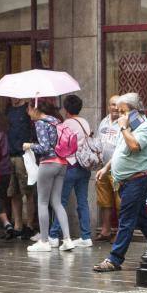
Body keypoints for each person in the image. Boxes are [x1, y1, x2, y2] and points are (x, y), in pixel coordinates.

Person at [92, 93, 147, 272]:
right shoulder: (126, 126)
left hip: (138, 178)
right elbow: (120, 151)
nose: (119, 115)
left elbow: (134, 146)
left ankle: (114, 259)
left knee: (126, 219)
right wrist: (106, 168)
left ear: (134, 111)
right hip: (125, 180)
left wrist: (123, 129)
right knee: (141, 218)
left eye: (123, 111)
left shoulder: (145, 127)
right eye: (118, 111)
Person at [23, 100, 75, 253]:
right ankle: (67, 240)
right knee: (57, 202)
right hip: (62, 163)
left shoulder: (40, 123)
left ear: (35, 109)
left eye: (29, 109)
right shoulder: (56, 121)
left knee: (42, 202)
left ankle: (44, 241)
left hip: (48, 163)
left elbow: (44, 147)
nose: (28, 112)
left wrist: (29, 145)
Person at [47, 95, 93, 248]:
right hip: (84, 166)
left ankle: (53, 235)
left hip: (70, 166)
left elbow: (61, 146)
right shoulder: (84, 122)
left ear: (66, 109)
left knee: (61, 202)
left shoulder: (66, 124)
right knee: (83, 202)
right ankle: (86, 236)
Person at [6, 98, 36, 240]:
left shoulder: (27, 108)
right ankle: (17, 225)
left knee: (27, 191)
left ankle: (29, 225)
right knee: (13, 192)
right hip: (10, 154)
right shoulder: (9, 109)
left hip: (23, 155)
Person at [94, 95, 120, 241]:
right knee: (104, 201)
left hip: (117, 168)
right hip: (102, 167)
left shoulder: (124, 122)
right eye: (112, 105)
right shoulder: (104, 121)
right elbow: (99, 141)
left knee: (119, 202)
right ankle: (105, 230)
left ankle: (120, 233)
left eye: (117, 105)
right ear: (108, 106)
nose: (115, 108)